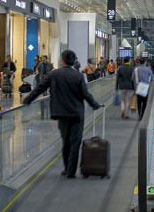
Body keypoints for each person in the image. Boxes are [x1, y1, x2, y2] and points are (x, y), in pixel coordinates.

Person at [23, 50, 100, 178]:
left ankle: (66, 168)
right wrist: (95, 104)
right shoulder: (78, 76)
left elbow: (40, 87)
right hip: (77, 113)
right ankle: (71, 171)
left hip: (62, 113)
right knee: (76, 142)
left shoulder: (54, 74)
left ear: (62, 60)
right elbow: (86, 94)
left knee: (66, 141)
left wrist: (28, 100)